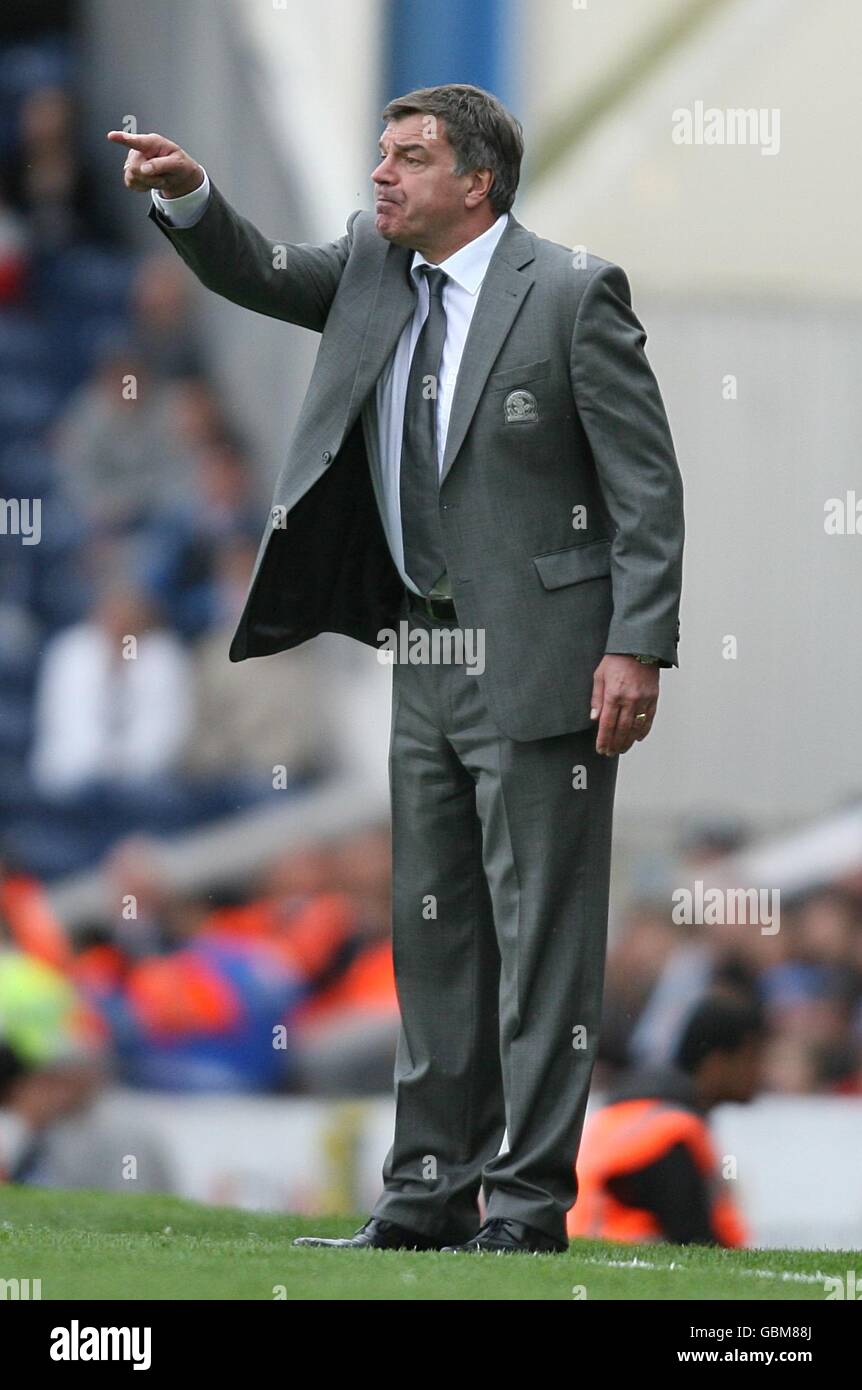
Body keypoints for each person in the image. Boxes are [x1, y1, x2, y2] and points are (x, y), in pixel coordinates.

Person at [107, 81, 684, 1254]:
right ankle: (423, 1198)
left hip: (547, 659)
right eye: (381, 153)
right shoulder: (374, 267)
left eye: (408, 158)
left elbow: (646, 490)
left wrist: (638, 643)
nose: (381, 176)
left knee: (542, 940)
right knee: (430, 931)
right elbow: (262, 269)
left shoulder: (572, 293)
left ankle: (524, 1208)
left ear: (475, 183)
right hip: (420, 648)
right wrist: (191, 195)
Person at [567, 996, 766, 1246]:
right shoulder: (671, 1133)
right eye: (753, 1058)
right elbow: (698, 1241)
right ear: (717, 1062)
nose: (761, 1071)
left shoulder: (637, 1111)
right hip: (617, 1268)